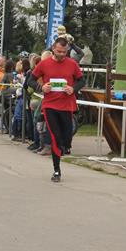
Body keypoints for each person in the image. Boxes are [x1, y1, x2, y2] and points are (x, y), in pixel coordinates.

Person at [32, 36, 83, 183]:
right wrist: (41, 87)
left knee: (66, 138)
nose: (61, 54)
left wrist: (73, 89)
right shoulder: (44, 64)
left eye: (64, 52)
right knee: (55, 137)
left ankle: (64, 145)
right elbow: (30, 79)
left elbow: (81, 80)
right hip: (50, 106)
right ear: (53, 49)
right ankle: (56, 171)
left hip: (66, 106)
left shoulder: (72, 64)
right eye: (59, 51)